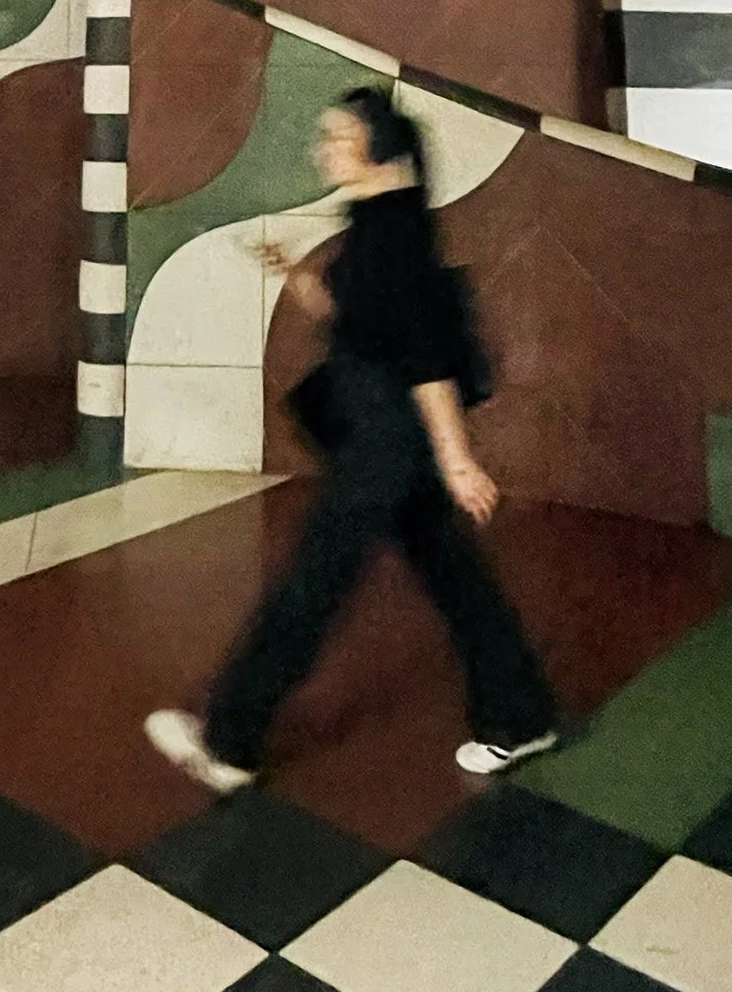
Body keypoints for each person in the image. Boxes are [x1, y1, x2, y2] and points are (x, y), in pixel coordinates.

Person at [146, 88, 560, 794]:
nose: (323, 148)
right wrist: (297, 276)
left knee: (314, 582)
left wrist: (457, 460)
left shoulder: (393, 234)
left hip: (386, 440)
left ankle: (229, 741)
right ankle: (520, 716)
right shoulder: (379, 221)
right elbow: (362, 321)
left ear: (377, 144)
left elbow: (424, 356)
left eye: (336, 135)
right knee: (454, 577)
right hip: (384, 431)